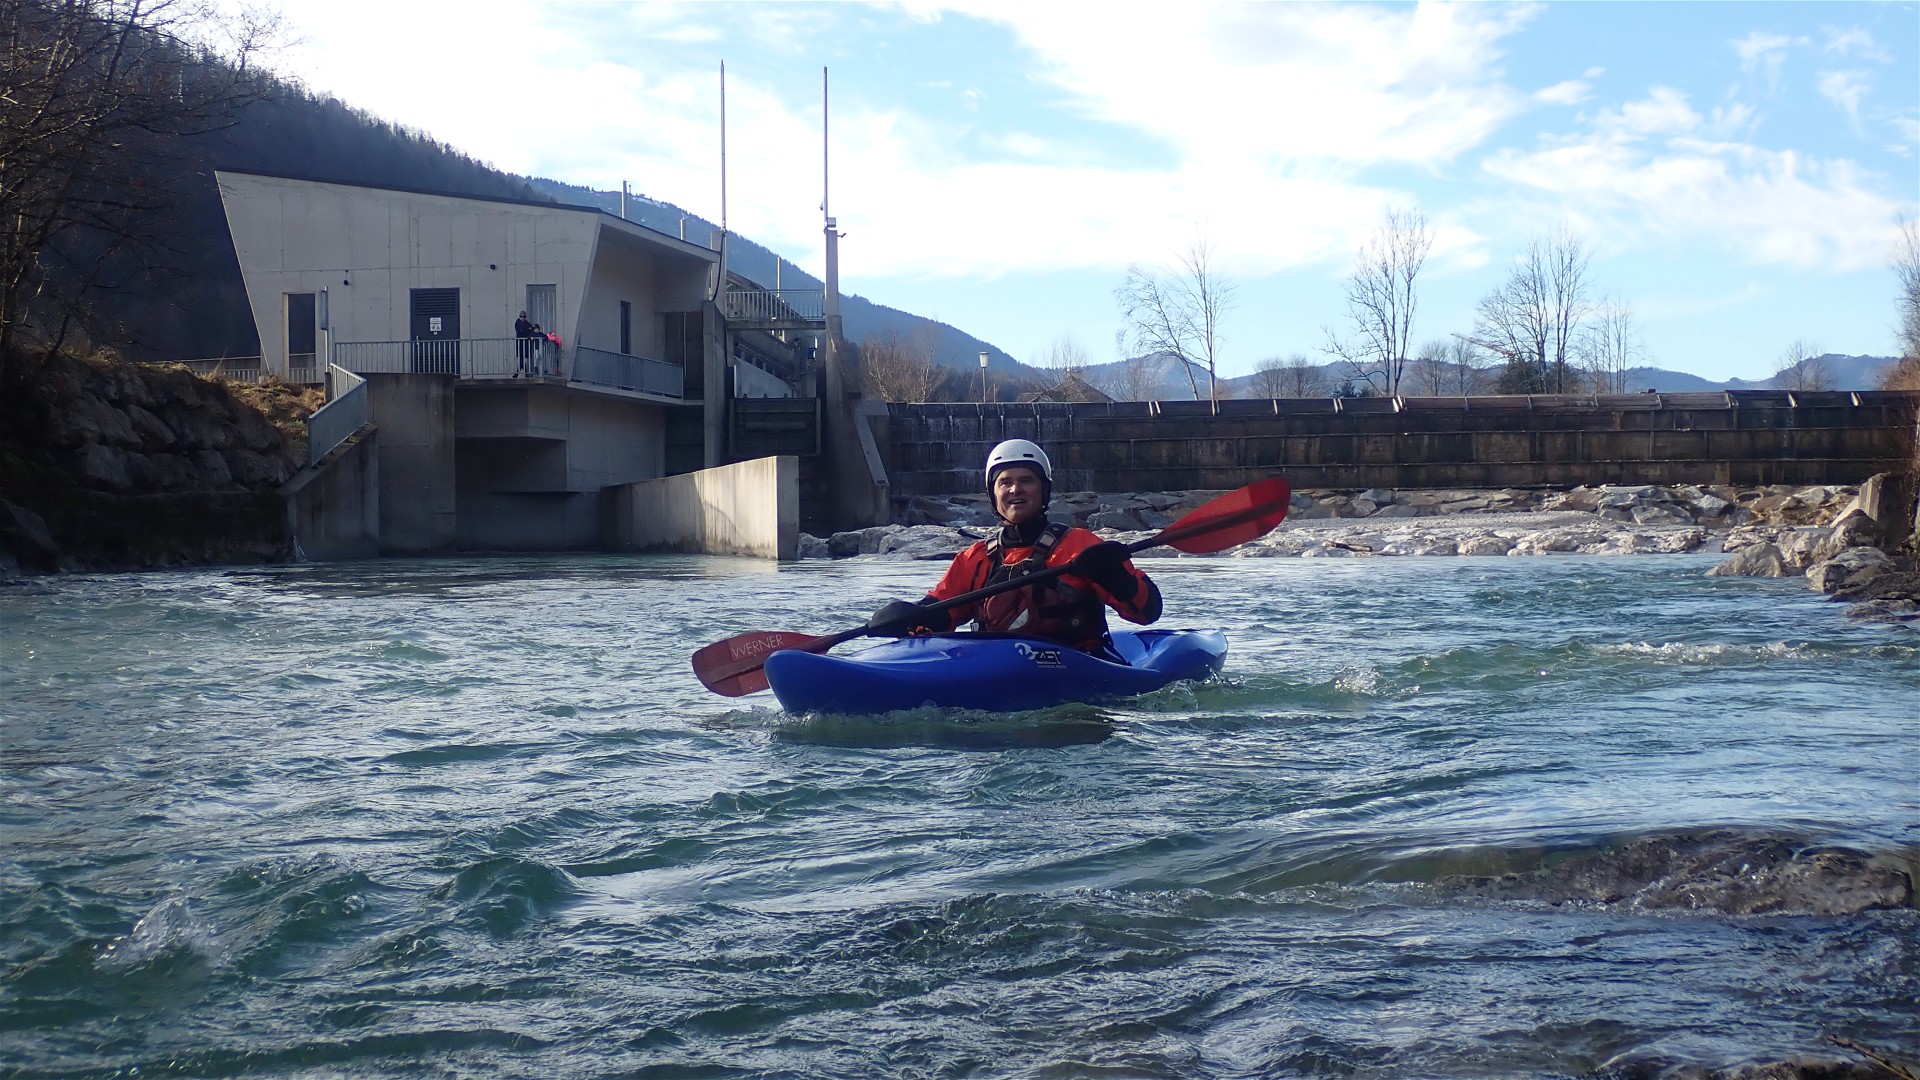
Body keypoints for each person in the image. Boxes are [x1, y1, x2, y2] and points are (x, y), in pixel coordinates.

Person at [867, 439, 1161, 658]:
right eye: (1004, 482)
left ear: (1043, 490)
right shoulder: (975, 559)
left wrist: (1114, 577)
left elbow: (1148, 612)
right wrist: (910, 617)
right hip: (999, 667)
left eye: (1025, 481)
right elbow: (942, 613)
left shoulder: (1080, 545)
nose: (1015, 490)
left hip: (1081, 666)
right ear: (992, 494)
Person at [514, 311, 537, 376]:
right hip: (520, 342)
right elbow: (520, 331)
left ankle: (519, 372)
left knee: (524, 357)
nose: (522, 318)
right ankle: (523, 371)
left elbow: (531, 330)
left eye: (524, 317)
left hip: (526, 342)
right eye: (521, 316)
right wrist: (527, 331)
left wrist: (527, 331)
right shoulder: (517, 323)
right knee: (521, 356)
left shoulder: (527, 323)